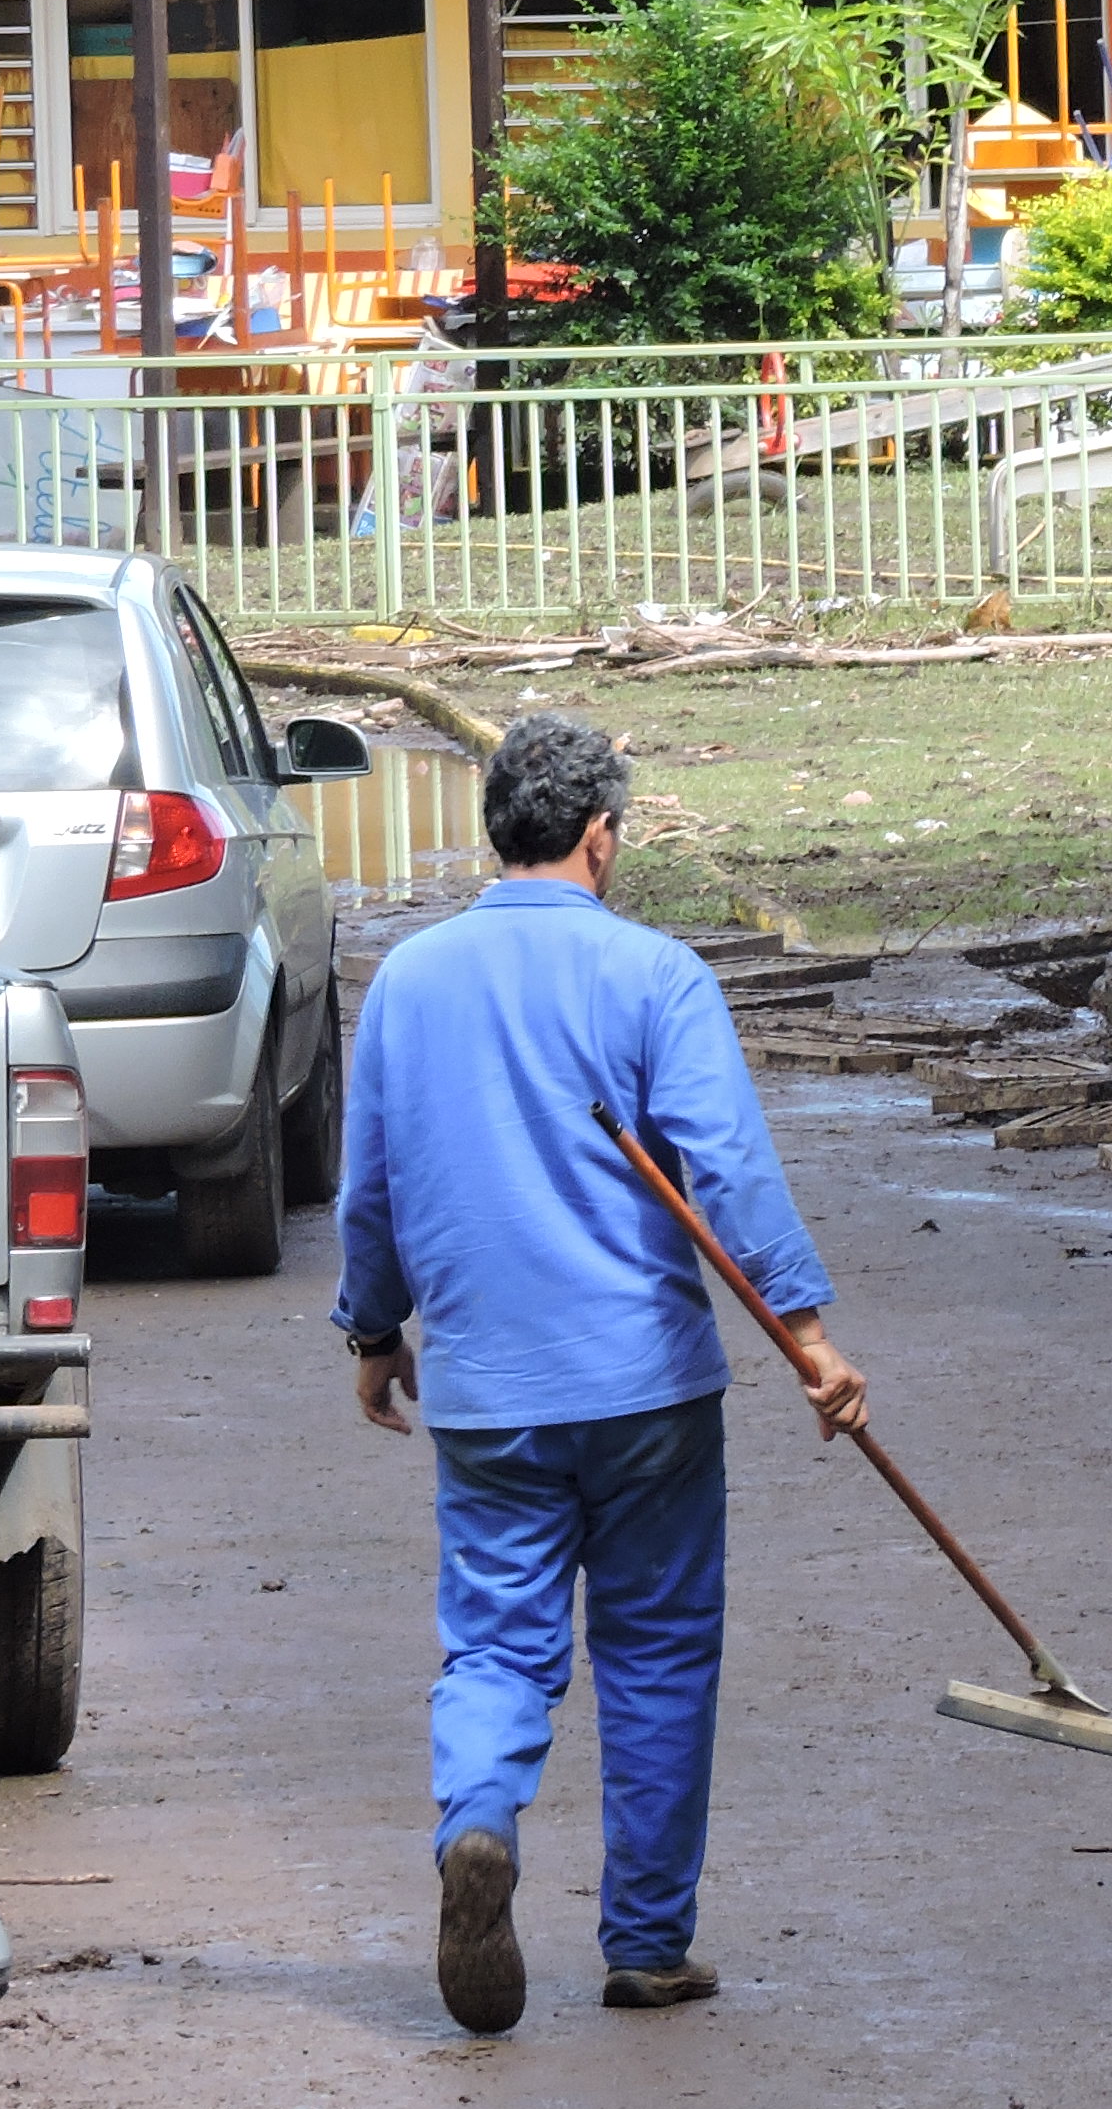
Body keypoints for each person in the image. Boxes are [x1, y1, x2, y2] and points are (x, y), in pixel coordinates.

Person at [334, 712, 866, 2038]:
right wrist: (807, 1337)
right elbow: (727, 1169)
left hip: (488, 1393)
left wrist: (371, 1331)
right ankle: (645, 1944)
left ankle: (479, 1823)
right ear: (600, 835)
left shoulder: (406, 982)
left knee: (498, 1643)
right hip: (647, 1390)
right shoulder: (654, 976)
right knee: (659, 1651)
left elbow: (372, 1186)